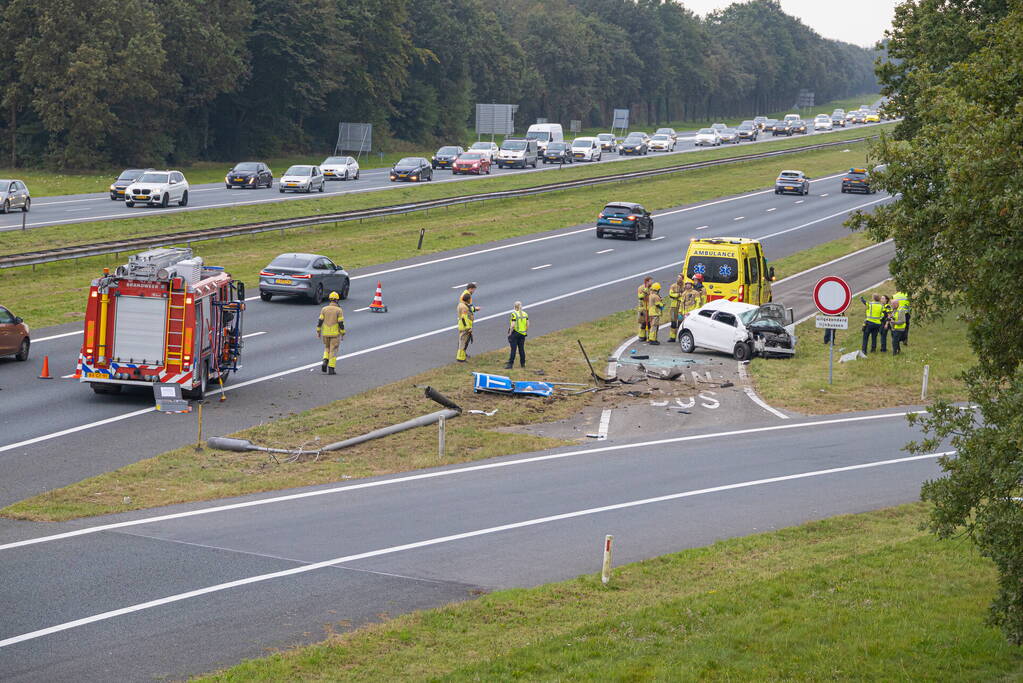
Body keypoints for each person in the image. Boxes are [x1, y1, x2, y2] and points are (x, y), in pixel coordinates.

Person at [316, 291, 345, 375]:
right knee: (334, 350)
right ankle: (331, 368)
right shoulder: (339, 310)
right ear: (337, 300)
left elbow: (320, 321)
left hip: (325, 333)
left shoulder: (324, 309)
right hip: (335, 334)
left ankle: (325, 360)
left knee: (327, 348)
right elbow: (340, 323)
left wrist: (318, 331)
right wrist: (343, 332)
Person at [505, 301, 528, 369]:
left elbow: (513, 325)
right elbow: (528, 324)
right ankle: (523, 364)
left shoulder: (514, 314)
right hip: (522, 334)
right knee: (521, 349)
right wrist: (525, 331)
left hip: (515, 333)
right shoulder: (525, 314)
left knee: (513, 349)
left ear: (515, 307)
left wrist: (510, 333)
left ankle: (510, 364)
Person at [456, 291, 475, 362]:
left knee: (463, 341)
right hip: (465, 327)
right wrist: (468, 328)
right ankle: (461, 358)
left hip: (462, 326)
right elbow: (464, 318)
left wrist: (475, 309)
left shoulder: (461, 304)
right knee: (463, 342)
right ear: (468, 299)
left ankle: (461, 357)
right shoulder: (464, 307)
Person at [667, 276, 685, 342]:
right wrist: (678, 295)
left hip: (681, 307)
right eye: (677, 277)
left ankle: (680, 338)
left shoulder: (685, 286)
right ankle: (672, 337)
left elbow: (685, 295)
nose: (678, 279)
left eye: (680, 278)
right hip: (674, 306)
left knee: (680, 322)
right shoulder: (673, 286)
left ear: (682, 279)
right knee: (673, 322)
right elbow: (671, 294)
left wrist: (680, 296)